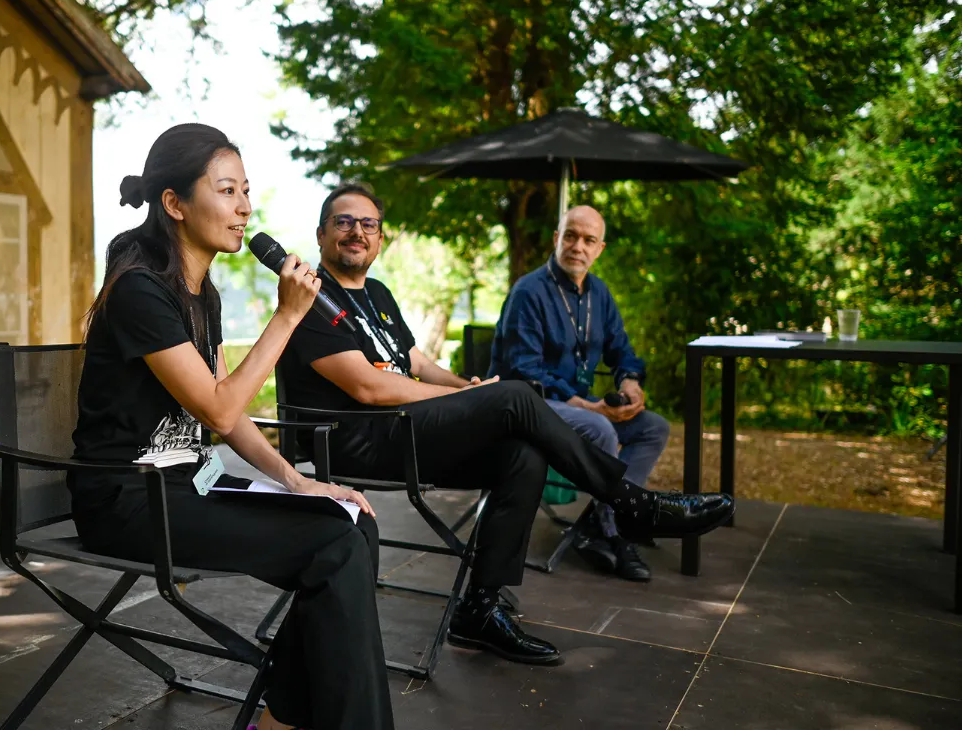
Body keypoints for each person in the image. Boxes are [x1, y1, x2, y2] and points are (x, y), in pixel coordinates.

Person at [278, 182, 735, 668]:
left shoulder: (378, 294)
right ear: (322, 235)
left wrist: (462, 384)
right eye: (344, 222)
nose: (357, 232)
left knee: (524, 452)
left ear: (381, 239)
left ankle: (479, 607)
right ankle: (633, 503)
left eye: (368, 224)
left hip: (405, 429)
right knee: (516, 393)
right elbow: (370, 389)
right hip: (356, 440)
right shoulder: (309, 297)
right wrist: (474, 397)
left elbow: (415, 361)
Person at [67, 125, 394, 730]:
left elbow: (229, 414)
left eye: (246, 190)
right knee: (332, 545)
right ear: (175, 204)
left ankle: (281, 718)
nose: (245, 207)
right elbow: (217, 409)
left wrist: (298, 482)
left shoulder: (203, 293)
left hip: (186, 483)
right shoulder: (140, 288)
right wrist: (288, 316)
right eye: (227, 190)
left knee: (351, 522)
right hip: (125, 500)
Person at [489, 205, 669, 583]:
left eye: (589, 240)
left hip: (576, 408)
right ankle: (612, 532)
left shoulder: (599, 293)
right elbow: (525, 370)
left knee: (653, 427)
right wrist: (588, 405)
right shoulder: (529, 291)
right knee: (599, 429)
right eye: (570, 236)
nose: (577, 246)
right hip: (526, 406)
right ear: (557, 239)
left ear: (599, 249)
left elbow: (621, 350)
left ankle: (596, 523)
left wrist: (630, 382)